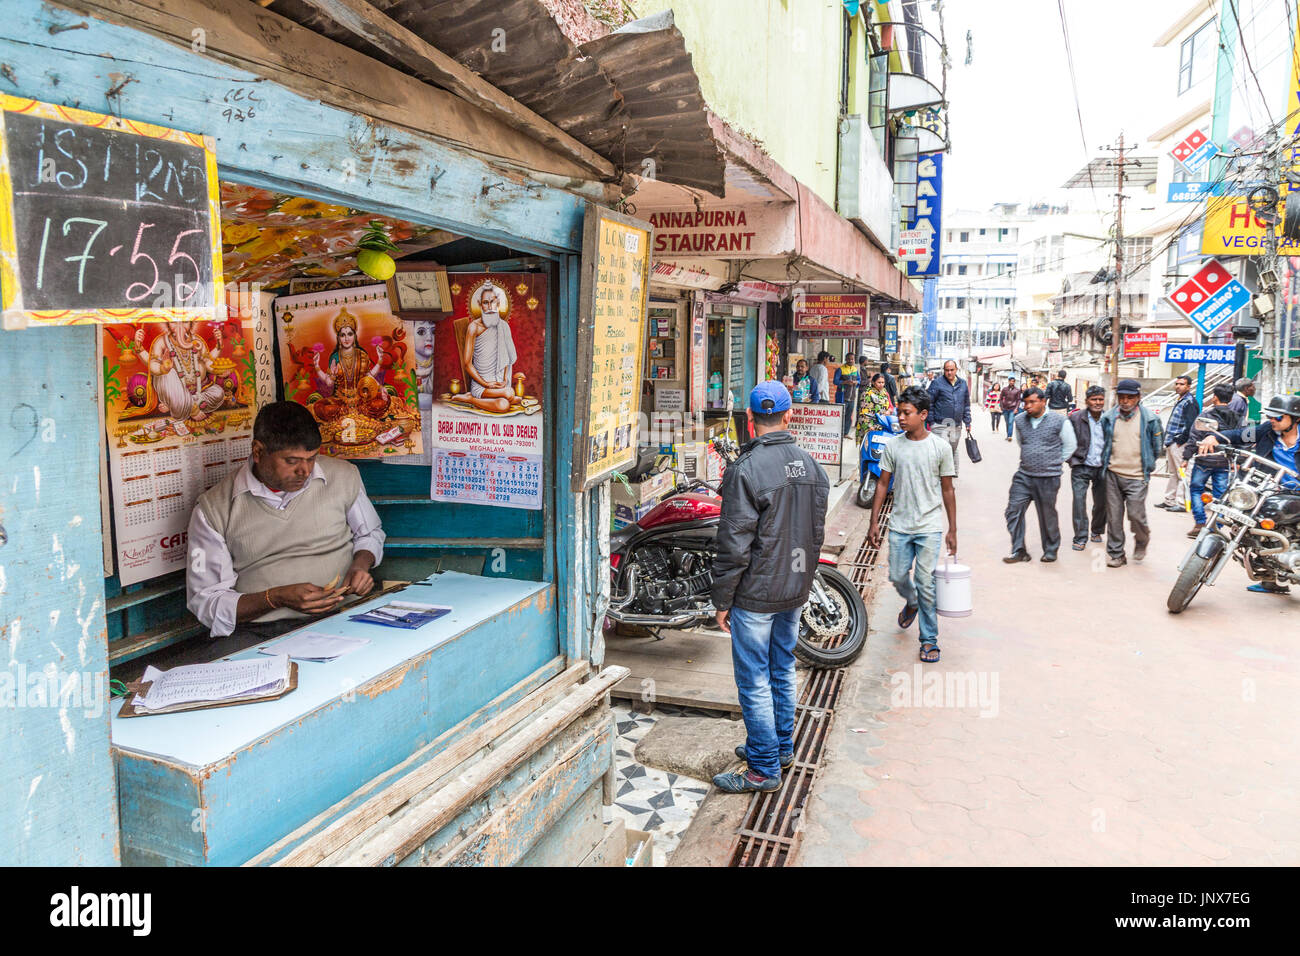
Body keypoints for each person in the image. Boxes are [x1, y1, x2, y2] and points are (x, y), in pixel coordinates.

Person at [710, 382, 828, 793]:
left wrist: (722, 598)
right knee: (781, 668)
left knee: (754, 677)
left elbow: (734, 542)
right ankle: (779, 746)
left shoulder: (745, 469)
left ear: (749, 419)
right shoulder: (812, 466)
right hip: (795, 589)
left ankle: (763, 768)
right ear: (789, 414)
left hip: (757, 594)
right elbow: (815, 533)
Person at [187, 401, 385, 640]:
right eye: (291, 461)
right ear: (258, 452)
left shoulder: (342, 476)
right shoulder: (214, 509)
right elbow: (206, 601)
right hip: (262, 632)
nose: (305, 471)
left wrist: (360, 565)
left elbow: (370, 534)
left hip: (345, 614)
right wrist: (275, 598)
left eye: (311, 459)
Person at [867, 385, 956, 663]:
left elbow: (948, 490)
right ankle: (912, 601)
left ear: (923, 414)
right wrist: (873, 522)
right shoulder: (894, 445)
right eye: (899, 412)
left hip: (929, 526)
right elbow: (882, 484)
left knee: (926, 582)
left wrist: (953, 529)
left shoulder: (940, 448)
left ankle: (929, 639)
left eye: (907, 413)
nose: (901, 418)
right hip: (900, 525)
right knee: (896, 576)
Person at [1197, 393, 1300, 593]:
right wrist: (1214, 437)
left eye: (1278, 417)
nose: (1272, 420)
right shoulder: (1267, 431)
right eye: (1271, 415)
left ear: (1295, 419)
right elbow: (1239, 434)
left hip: (1295, 492)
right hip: (1268, 487)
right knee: (1251, 523)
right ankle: (1269, 575)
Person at [1003, 386, 1076, 563]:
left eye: (1032, 402)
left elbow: (1070, 445)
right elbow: (1022, 442)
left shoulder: (1059, 421)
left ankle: (1051, 549)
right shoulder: (1020, 420)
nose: (1027, 406)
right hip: (1024, 475)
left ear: (1043, 402)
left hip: (1048, 477)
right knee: (1013, 511)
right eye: (1025, 403)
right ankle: (1019, 550)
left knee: (1046, 514)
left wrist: (1054, 461)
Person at [1099, 379, 1164, 568]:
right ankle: (1117, 554)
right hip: (1112, 474)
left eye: (1130, 397)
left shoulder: (1150, 419)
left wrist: (1148, 466)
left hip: (1137, 477)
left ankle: (1142, 539)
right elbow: (1104, 443)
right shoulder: (1109, 418)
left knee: (1136, 515)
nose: (1125, 401)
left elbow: (1158, 448)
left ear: (1138, 398)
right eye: (1122, 397)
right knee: (1114, 517)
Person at [1183, 383, 1239, 538]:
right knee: (1221, 495)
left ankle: (1200, 523)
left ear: (1214, 397)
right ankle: (1217, 526)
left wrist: (1186, 457)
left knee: (1196, 490)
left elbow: (1194, 438)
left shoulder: (1205, 416)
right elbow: (1243, 439)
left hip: (1204, 461)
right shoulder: (1238, 417)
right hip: (1225, 462)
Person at [1067, 386, 1108, 551]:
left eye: (1100, 399)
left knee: (1102, 503)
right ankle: (1080, 537)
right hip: (1081, 466)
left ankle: (1096, 530)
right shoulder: (1075, 418)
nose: (1097, 403)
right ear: (1086, 401)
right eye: (1094, 399)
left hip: (1103, 467)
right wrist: (1072, 460)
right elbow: (1066, 441)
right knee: (1078, 502)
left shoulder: (1110, 418)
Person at [1157, 375, 1199, 511]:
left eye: (1182, 384)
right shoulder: (1181, 400)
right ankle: (1169, 501)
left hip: (1179, 443)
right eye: (1177, 384)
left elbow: (1191, 424)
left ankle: (1181, 503)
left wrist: (1181, 441)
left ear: (1188, 386)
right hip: (1171, 441)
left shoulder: (1190, 402)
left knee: (1183, 473)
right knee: (1174, 473)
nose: (1178, 386)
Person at [927, 360, 972, 477]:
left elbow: (966, 404)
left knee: (952, 449)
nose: (949, 372)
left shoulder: (962, 384)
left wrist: (967, 421)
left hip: (956, 424)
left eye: (952, 370)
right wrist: (931, 421)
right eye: (947, 370)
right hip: (939, 424)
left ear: (956, 370)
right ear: (944, 370)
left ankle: (951, 474)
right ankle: (940, 478)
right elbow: (928, 403)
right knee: (942, 451)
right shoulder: (936, 383)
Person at [856, 371, 894, 442]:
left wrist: (888, 411)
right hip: (869, 425)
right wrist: (870, 426)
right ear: (873, 383)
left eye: (883, 382)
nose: (881, 385)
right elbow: (863, 412)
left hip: (883, 424)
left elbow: (891, 406)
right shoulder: (867, 394)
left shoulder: (885, 393)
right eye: (879, 382)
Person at [836, 354, 860, 435]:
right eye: (849, 359)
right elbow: (835, 381)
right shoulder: (840, 369)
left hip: (852, 397)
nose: (850, 360)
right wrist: (845, 382)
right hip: (842, 397)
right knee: (840, 416)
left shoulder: (855, 370)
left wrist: (856, 382)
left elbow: (859, 381)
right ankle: (838, 434)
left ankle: (845, 433)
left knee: (849, 416)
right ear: (846, 359)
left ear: (854, 360)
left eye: (852, 359)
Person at [999, 376, 1023, 442]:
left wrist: (1016, 408)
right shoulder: (1004, 389)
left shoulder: (1017, 390)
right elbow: (1000, 398)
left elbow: (1018, 400)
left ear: (1014, 382)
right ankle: (1008, 435)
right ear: (1008, 381)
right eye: (1011, 381)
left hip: (1013, 408)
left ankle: (1010, 436)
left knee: (1010, 422)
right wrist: (1001, 407)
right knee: (1007, 422)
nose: (1012, 382)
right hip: (1005, 408)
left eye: (1013, 381)